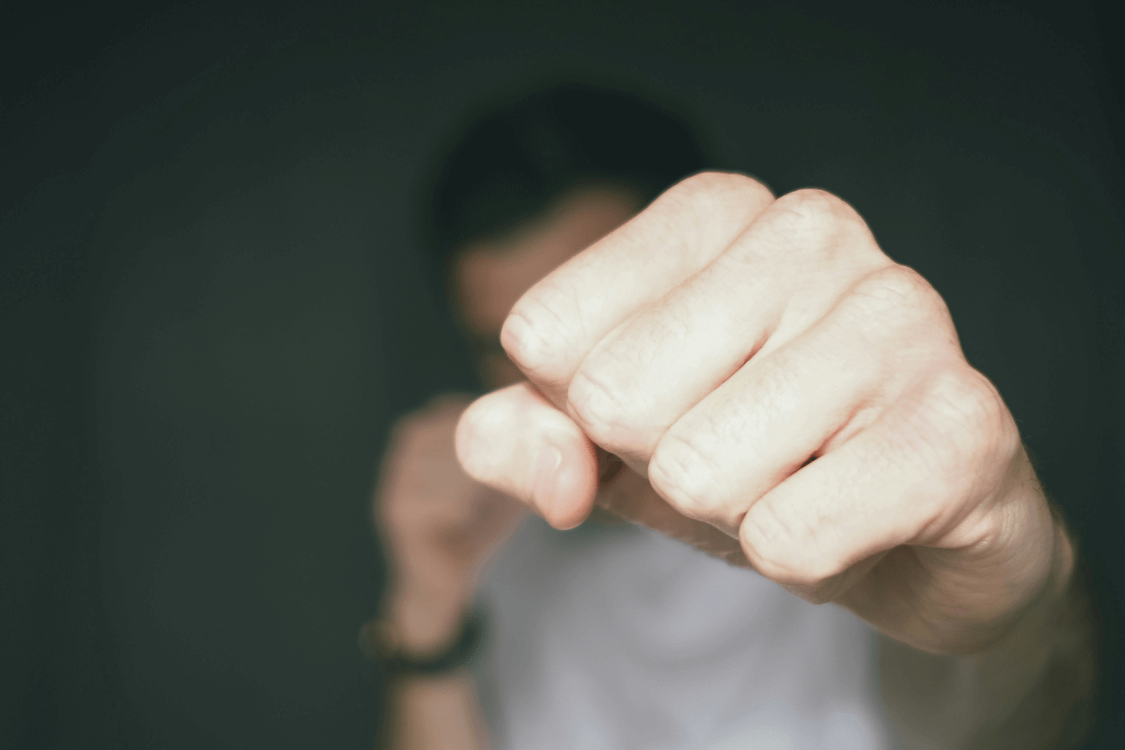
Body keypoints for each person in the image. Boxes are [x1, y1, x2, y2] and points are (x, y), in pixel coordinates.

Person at [366, 83, 1096, 749]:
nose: (556, 391)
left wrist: (1017, 601)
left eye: (596, 323)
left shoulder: (857, 496)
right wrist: (429, 620)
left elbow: (1039, 720)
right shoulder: (489, 540)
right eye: (504, 349)